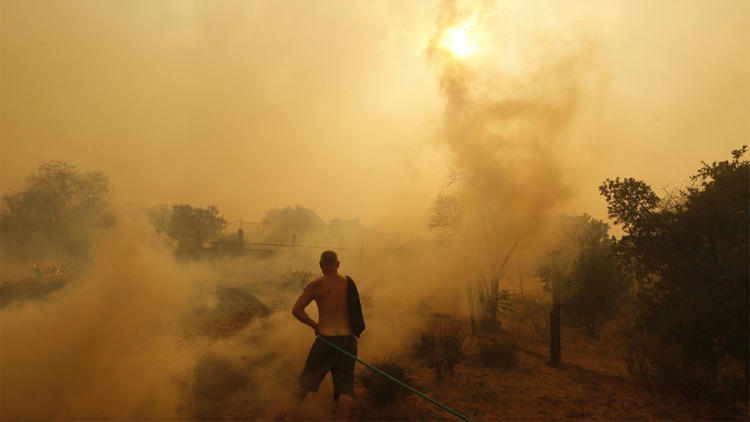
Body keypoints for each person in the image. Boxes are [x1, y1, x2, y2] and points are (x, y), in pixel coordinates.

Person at [291, 250, 364, 421]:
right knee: (346, 387)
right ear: (338, 264)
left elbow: (296, 310)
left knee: (306, 380)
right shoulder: (348, 284)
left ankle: (289, 415)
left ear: (320, 265)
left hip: (326, 339)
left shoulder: (316, 285)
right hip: (347, 340)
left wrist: (314, 325)